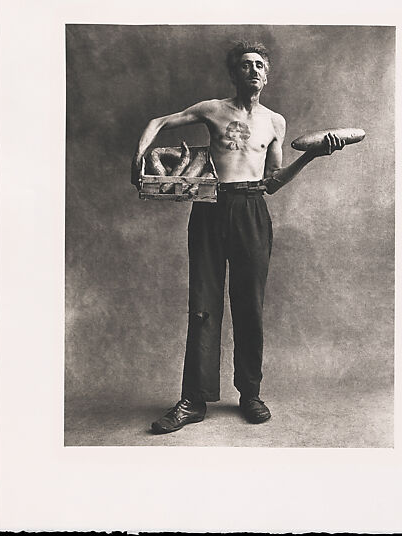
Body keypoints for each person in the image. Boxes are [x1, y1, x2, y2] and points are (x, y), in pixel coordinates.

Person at [131, 41, 345, 434]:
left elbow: (273, 182)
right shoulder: (213, 109)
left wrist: (313, 155)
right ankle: (193, 400)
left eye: (259, 65)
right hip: (210, 207)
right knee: (203, 305)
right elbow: (158, 122)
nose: (253, 70)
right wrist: (138, 157)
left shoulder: (275, 122)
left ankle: (250, 393)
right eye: (245, 65)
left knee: (250, 305)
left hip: (251, 210)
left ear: (267, 74)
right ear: (235, 74)